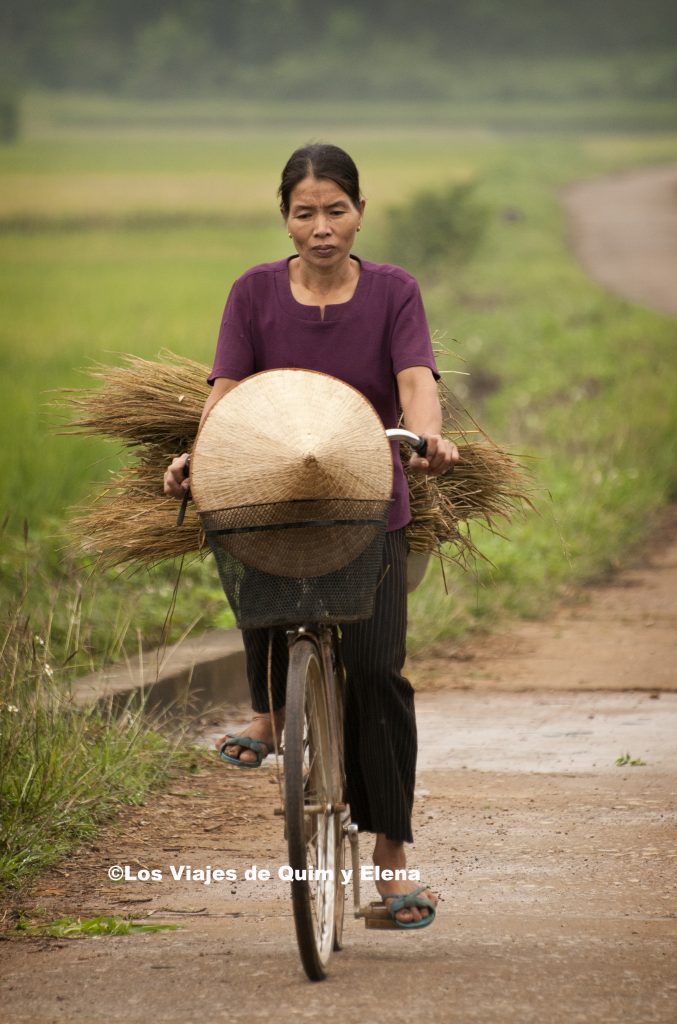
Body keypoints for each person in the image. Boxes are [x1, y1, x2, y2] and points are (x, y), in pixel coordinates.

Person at [164, 143, 458, 928]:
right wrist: (200, 454)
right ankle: (269, 710)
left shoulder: (394, 291)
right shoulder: (253, 293)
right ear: (285, 219)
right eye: (305, 213)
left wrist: (428, 437)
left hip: (368, 499)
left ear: (359, 213)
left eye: (336, 210)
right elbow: (226, 393)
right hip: (275, 493)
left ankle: (392, 855)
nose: (321, 227)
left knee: (377, 673)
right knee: (248, 551)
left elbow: (415, 381)